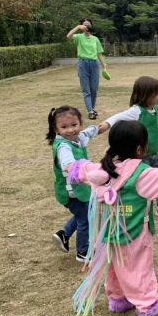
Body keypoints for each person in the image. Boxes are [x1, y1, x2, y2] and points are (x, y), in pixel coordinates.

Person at [67, 121, 158, 316]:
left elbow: (80, 170)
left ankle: (118, 299)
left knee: (114, 265)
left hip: (106, 233)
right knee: (138, 267)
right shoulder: (141, 174)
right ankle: (149, 306)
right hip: (133, 233)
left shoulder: (99, 169)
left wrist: (72, 166)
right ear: (141, 149)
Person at [98, 76, 158, 218]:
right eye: (156, 94)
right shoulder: (136, 111)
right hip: (139, 158)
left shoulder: (157, 109)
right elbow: (118, 117)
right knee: (139, 183)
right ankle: (137, 208)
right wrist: (106, 124)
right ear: (145, 95)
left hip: (154, 154)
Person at [47, 106, 100, 262]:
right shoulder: (63, 146)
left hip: (79, 189)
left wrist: (109, 124)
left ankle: (64, 234)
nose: (70, 130)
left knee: (84, 213)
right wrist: (91, 170)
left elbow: (91, 132)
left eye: (74, 125)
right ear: (56, 129)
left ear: (80, 124)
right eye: (64, 127)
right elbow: (68, 164)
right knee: (85, 218)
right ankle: (83, 252)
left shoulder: (77, 138)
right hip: (71, 191)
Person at [66, 19, 107, 120]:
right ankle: (90, 111)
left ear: (92, 26)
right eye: (84, 25)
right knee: (86, 90)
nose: (86, 27)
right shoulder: (79, 37)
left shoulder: (95, 39)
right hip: (83, 64)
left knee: (94, 89)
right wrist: (77, 27)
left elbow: (100, 54)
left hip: (94, 64)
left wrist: (104, 67)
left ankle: (91, 109)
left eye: (88, 25)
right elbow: (68, 36)